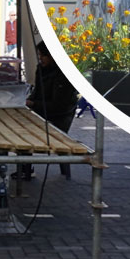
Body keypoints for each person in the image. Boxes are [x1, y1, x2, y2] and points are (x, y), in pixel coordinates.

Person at [22, 41, 80, 179]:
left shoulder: (63, 76)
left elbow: (59, 105)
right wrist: (27, 102)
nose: (40, 58)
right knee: (17, 124)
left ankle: (25, 170)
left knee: (22, 131)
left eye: (43, 55)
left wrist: (33, 104)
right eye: (39, 55)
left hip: (57, 117)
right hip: (41, 112)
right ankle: (25, 169)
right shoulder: (41, 69)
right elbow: (36, 92)